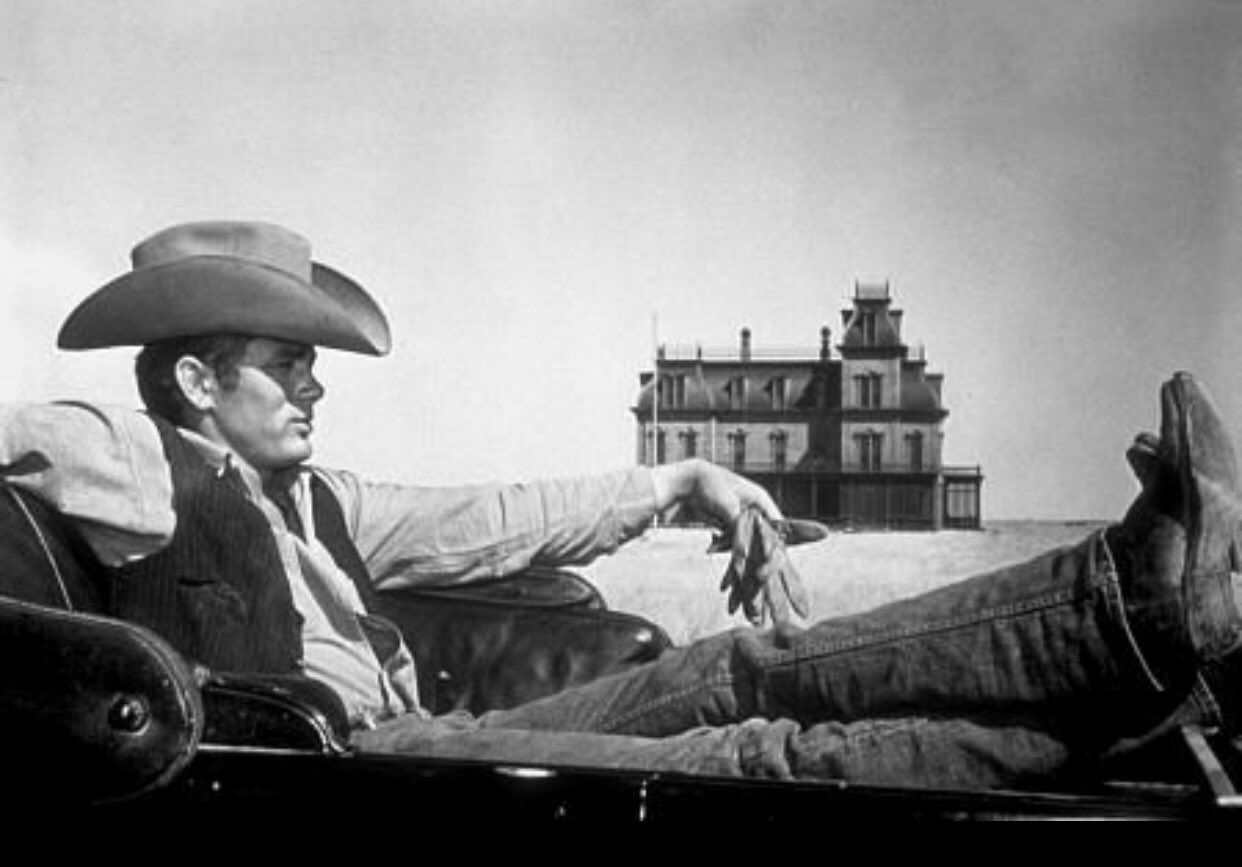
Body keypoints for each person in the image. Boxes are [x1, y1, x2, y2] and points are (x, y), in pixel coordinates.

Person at [3, 219, 1239, 791]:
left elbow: (497, 513)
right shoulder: (124, 452)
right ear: (195, 381)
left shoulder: (318, 498)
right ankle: (1132, 676)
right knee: (747, 757)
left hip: (427, 733)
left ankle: (1124, 631)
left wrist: (681, 480)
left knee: (746, 665)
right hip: (363, 766)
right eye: (287, 365)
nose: (314, 384)